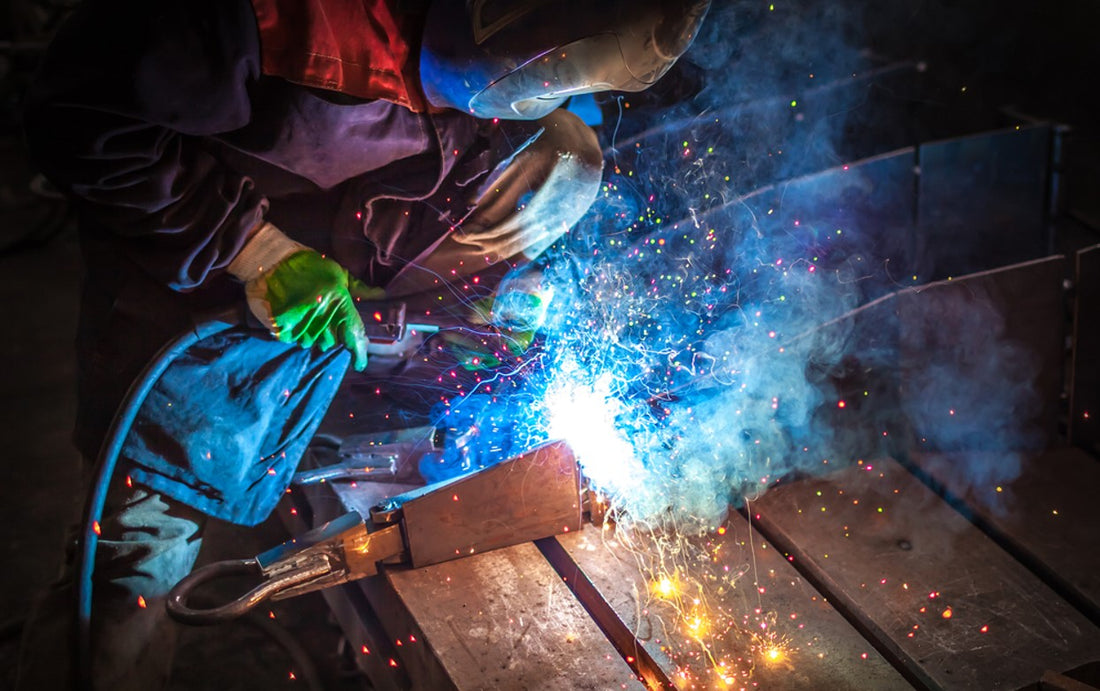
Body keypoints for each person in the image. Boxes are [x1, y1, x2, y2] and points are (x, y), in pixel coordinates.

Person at [15, 0, 710, 687]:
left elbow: (516, 140)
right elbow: (77, 111)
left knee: (564, 160)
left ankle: (374, 361)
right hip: (194, 258)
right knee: (137, 563)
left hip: (356, 241)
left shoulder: (518, 70)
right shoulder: (262, 22)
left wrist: (523, 270)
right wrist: (254, 249)